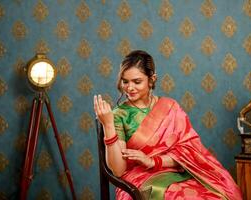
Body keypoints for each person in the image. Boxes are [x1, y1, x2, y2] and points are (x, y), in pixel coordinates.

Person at [94, 50, 242, 200]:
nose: (129, 87)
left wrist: (152, 161)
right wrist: (108, 125)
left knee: (215, 194)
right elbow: (118, 170)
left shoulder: (170, 107)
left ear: (151, 80)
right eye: (125, 81)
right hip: (140, 178)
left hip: (174, 171)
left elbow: (189, 151)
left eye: (137, 82)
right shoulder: (119, 114)